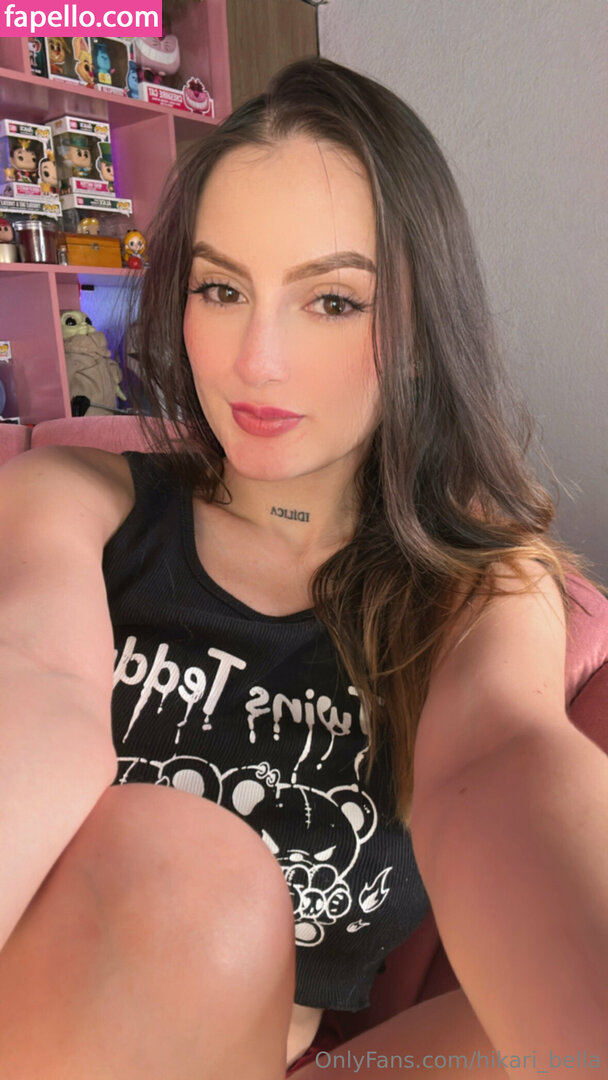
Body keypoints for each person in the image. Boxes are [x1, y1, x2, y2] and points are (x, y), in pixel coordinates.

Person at [0, 56, 606, 1080]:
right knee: (190, 881)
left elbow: (499, 756)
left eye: (331, 300)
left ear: (419, 326)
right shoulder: (72, 501)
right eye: (221, 289)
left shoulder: (481, 587)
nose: (257, 360)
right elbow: (35, 682)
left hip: (305, 1063)